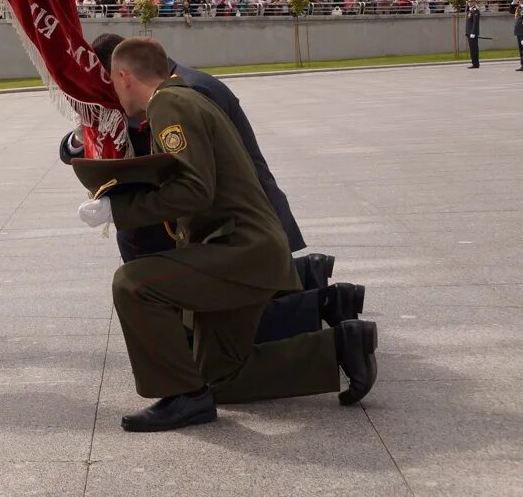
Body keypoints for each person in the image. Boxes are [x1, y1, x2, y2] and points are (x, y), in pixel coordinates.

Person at [78, 37, 378, 432]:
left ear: (124, 75)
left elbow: (194, 189)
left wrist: (119, 209)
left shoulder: (170, 104)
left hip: (240, 249)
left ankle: (181, 396)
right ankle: (340, 348)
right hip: (244, 247)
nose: (115, 94)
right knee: (219, 376)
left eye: (113, 84)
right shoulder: (183, 98)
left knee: (134, 283)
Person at [58, 34, 363, 342]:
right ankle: (310, 278)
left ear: (120, 71)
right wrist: (85, 135)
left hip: (234, 218)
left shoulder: (182, 94)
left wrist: (119, 207)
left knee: (227, 326)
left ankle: (328, 307)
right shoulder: (168, 88)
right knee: (224, 318)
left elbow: (186, 171)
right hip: (222, 217)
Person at [466, 0, 481, 69]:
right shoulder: (470, 10)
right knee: (472, 48)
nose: (469, 3)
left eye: (471, 1)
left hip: (473, 33)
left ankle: (476, 63)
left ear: (474, 2)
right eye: (468, 1)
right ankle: (474, 63)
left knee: (474, 48)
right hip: (469, 32)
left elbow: (475, 23)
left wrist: (473, 32)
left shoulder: (475, 11)